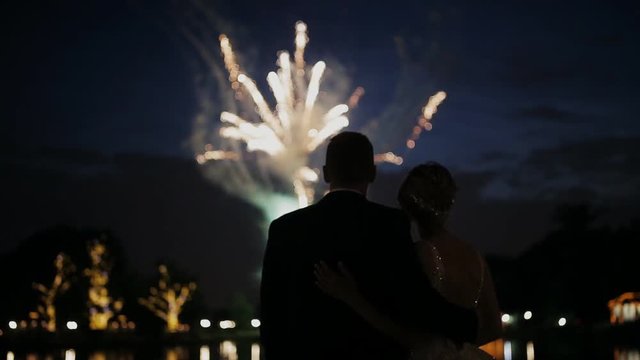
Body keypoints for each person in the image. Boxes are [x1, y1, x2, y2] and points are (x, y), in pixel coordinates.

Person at [260, 132, 448, 360]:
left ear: (326, 173)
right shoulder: (391, 224)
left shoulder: (284, 229)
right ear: (373, 173)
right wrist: (467, 320)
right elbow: (413, 300)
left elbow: (272, 319)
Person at [314, 162, 502, 359]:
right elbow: (494, 328)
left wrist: (350, 296)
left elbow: (398, 328)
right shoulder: (475, 257)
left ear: (408, 209)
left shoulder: (421, 253)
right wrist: (458, 350)